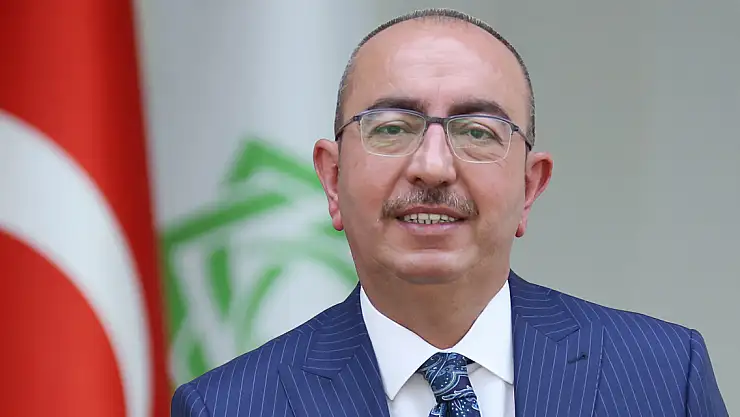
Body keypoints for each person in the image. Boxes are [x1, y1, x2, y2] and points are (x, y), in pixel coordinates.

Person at [171, 8, 727, 417]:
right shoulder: (228, 407)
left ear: (530, 187)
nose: (433, 167)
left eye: (477, 132)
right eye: (392, 128)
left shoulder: (663, 377)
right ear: (332, 179)